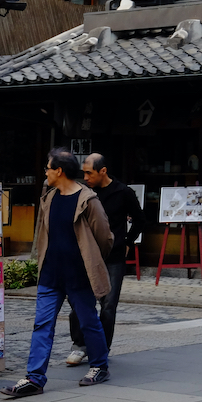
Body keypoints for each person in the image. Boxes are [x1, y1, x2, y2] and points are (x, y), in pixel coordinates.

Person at [0, 149, 113, 398]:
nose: (46, 172)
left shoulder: (88, 200)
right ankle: (35, 378)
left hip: (78, 275)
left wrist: (92, 261)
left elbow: (105, 237)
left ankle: (100, 366)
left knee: (88, 322)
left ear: (59, 171)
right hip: (50, 274)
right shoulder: (49, 196)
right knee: (42, 324)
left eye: (48, 168)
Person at [64, 153, 145, 368]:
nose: (86, 177)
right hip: (86, 255)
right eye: (84, 173)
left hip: (114, 257)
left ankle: (101, 348)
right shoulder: (84, 192)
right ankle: (79, 345)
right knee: (79, 302)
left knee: (108, 305)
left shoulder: (123, 192)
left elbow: (140, 219)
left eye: (89, 173)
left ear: (103, 171)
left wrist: (128, 240)